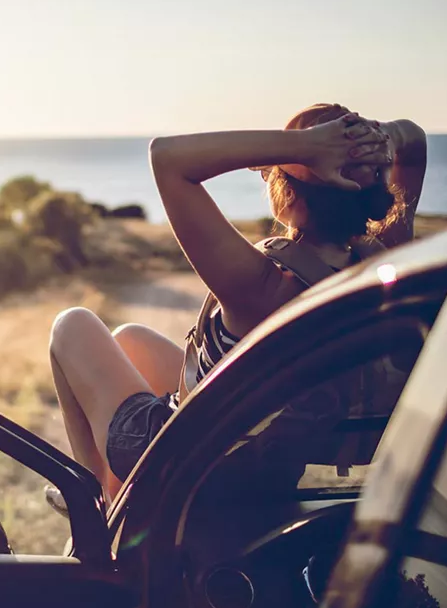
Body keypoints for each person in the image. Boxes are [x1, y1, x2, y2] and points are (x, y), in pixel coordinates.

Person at [47, 104, 427, 505]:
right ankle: (112, 493)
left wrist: (303, 145)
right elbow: (414, 139)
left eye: (273, 172)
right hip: (277, 450)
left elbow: (167, 158)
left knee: (71, 326)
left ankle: (92, 508)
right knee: (130, 339)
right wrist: (369, 140)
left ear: (290, 198)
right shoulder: (385, 262)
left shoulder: (264, 285)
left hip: (192, 464)